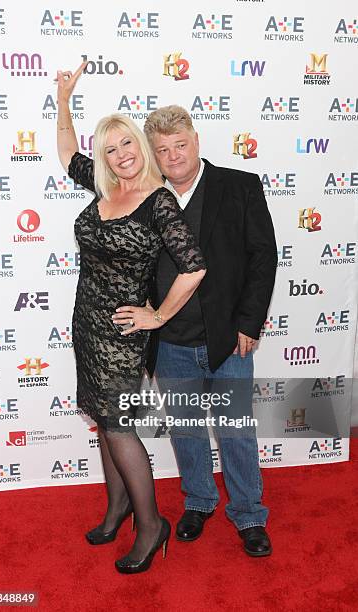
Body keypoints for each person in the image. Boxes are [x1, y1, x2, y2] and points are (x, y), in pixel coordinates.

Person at [56, 66, 206, 574]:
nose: (121, 155)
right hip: (87, 327)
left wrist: (156, 315)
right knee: (104, 422)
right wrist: (63, 99)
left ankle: (151, 524)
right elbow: (63, 151)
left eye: (127, 144)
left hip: (123, 336)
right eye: (110, 149)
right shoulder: (101, 185)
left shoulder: (158, 200)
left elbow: (195, 266)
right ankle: (118, 508)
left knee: (119, 428)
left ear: (142, 145)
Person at [142, 105, 277, 557]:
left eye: (180, 145)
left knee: (235, 429)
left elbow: (263, 257)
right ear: (154, 154)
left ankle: (249, 514)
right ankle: (199, 501)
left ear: (196, 141)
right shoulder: (147, 197)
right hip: (170, 344)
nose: (173, 155)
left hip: (228, 340)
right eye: (163, 149)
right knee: (186, 430)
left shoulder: (239, 186)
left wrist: (249, 321)